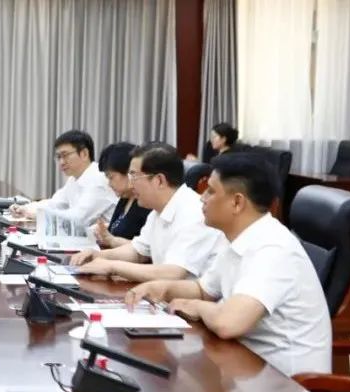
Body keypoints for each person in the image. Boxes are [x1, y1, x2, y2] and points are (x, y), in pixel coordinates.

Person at [125, 153, 330, 375]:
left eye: (211, 191)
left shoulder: (274, 249)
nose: (202, 198)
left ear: (237, 202)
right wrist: (162, 288)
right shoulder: (235, 237)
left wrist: (196, 307)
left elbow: (228, 323)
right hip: (246, 364)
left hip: (286, 382)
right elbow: (204, 290)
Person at [71, 142, 222, 282]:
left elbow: (173, 273)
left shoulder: (194, 212)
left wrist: (112, 266)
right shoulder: (157, 210)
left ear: (159, 180)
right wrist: (98, 255)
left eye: (134, 176)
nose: (131, 184)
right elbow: (138, 251)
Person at [10, 130, 117, 227]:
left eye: (65, 155)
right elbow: (55, 203)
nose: (61, 162)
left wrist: (37, 214)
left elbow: (78, 218)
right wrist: (25, 208)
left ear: (84, 154)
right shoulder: (74, 179)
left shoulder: (99, 179)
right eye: (58, 157)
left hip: (106, 241)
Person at [93, 142, 150, 248]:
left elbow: (146, 249)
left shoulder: (145, 203)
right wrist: (104, 235)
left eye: (111, 177)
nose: (109, 184)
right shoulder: (124, 198)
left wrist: (111, 240)